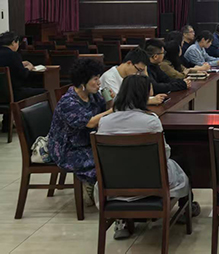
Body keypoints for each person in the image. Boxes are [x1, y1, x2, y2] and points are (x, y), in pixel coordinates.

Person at [98, 74, 198, 240]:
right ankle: (186, 208)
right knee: (180, 160)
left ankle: (122, 221)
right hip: (152, 182)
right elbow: (164, 154)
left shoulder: (105, 122)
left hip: (114, 183)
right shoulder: (151, 121)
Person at [48, 59, 114, 206]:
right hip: (67, 149)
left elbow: (104, 112)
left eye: (99, 78)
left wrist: (110, 101)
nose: (99, 83)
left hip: (86, 142)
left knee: (112, 154)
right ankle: (92, 185)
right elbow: (90, 122)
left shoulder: (93, 95)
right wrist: (112, 110)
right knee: (105, 159)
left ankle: (97, 187)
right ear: (83, 81)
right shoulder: (68, 102)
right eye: (95, 79)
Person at [99, 48, 166, 106]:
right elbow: (118, 103)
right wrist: (148, 101)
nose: (138, 73)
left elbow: (149, 94)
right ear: (129, 63)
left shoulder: (132, 75)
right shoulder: (109, 77)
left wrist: (145, 73)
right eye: (139, 70)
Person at [0, 31, 45, 101]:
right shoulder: (13, 55)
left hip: (2, 94)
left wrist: (19, 63)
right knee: (44, 91)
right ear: (13, 42)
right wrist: (28, 68)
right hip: (14, 93)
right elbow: (23, 75)